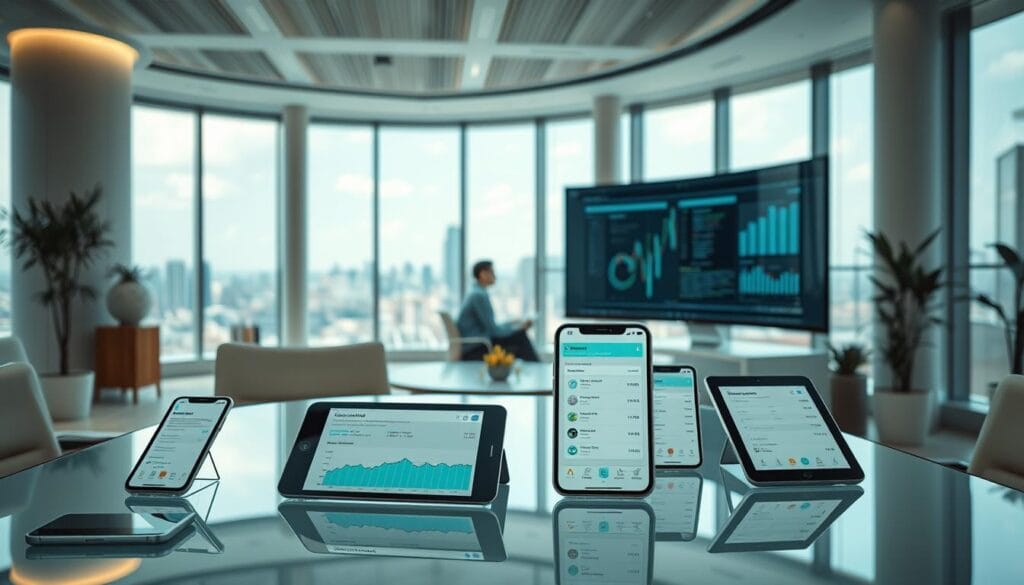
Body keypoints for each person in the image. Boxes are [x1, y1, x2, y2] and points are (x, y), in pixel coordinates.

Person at [456, 260, 540, 362]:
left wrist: (512, 324)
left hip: (478, 343)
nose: (495, 276)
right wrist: (519, 328)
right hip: (476, 348)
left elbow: (492, 327)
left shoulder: (476, 292)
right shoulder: (479, 296)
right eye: (492, 272)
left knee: (519, 335)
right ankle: (538, 368)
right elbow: (494, 331)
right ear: (482, 274)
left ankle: (535, 367)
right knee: (520, 337)